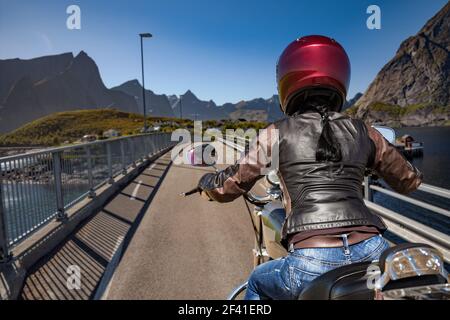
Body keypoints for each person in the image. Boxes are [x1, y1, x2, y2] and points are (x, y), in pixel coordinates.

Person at [197, 35, 423, 300]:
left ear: (287, 79)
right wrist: (368, 164)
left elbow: (232, 183)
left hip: (312, 259)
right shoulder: (364, 131)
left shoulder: (277, 133)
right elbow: (409, 180)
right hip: (372, 249)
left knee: (257, 281)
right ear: (340, 75)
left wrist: (207, 185)